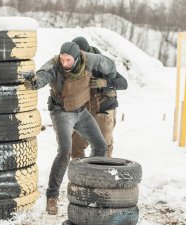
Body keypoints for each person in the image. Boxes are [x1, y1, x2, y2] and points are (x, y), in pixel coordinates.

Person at [23, 41, 117, 215]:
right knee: (65, 150)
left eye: (68, 60)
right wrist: (35, 81)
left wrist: (108, 78)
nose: (64, 63)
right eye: (62, 59)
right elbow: (43, 75)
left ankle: (89, 187)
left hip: (81, 110)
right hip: (61, 111)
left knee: (101, 146)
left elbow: (109, 64)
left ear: (76, 58)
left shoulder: (88, 60)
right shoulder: (54, 65)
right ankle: (52, 196)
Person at [71, 37, 128, 159]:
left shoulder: (102, 63)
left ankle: (103, 176)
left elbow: (123, 83)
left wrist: (105, 82)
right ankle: (79, 175)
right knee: (75, 144)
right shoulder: (73, 64)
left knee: (103, 147)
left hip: (104, 110)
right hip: (86, 110)